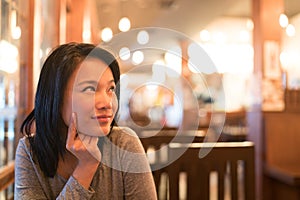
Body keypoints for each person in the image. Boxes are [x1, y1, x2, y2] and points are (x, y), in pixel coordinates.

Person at [14, 42, 157, 199]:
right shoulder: (30, 153)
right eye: (89, 89)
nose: (107, 104)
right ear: (55, 97)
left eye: (111, 89)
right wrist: (86, 167)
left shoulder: (124, 144)